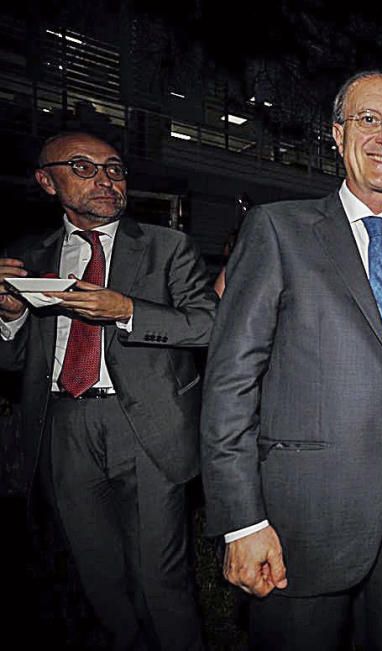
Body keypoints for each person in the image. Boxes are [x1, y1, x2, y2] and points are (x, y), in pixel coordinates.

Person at [200, 70, 382, 650]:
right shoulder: (277, 230)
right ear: (337, 135)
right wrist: (242, 521)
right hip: (302, 523)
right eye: (369, 120)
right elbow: (230, 385)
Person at [0, 131, 215, 650]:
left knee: (160, 579)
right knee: (97, 574)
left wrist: (130, 311)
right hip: (61, 426)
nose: (105, 179)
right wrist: (8, 319)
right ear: (46, 180)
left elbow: (210, 324)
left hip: (145, 425)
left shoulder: (168, 248)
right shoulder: (28, 256)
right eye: (84, 167)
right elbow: (15, 362)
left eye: (115, 169)